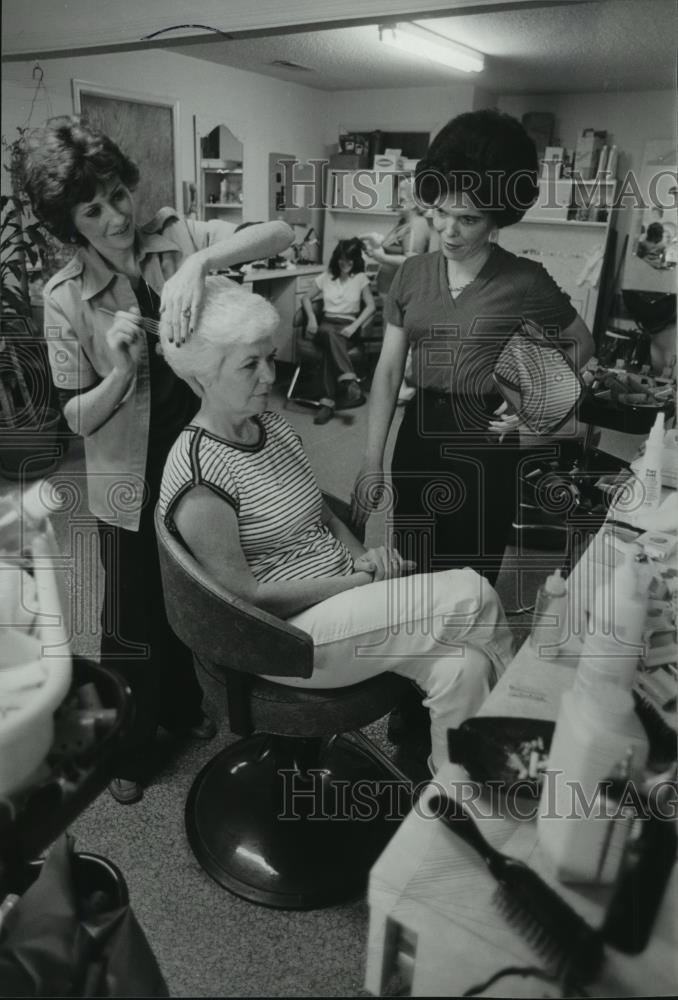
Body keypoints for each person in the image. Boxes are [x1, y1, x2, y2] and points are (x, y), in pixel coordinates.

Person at [25, 116, 293, 805]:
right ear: (70, 224)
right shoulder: (62, 299)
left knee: (191, 591)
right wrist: (117, 372)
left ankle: (179, 708)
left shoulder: (175, 237)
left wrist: (202, 263)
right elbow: (73, 415)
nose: (116, 217)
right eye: (94, 210)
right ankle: (130, 747)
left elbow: (281, 232)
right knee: (132, 615)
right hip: (123, 477)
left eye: (118, 195)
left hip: (200, 460)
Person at [157, 279, 514, 777]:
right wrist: (361, 580)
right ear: (201, 379)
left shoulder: (271, 425)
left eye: (268, 356)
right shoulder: (199, 473)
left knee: (465, 668)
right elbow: (246, 596)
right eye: (249, 365)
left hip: (342, 600)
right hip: (286, 638)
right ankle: (515, 740)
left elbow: (320, 514)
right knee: (472, 593)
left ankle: (460, 798)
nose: (269, 375)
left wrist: (362, 556)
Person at [351, 109, 594, 588]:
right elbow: (386, 373)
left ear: (497, 219)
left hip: (487, 443)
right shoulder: (411, 274)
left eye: (468, 219)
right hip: (419, 435)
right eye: (440, 213)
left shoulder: (524, 281)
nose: (449, 231)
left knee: (468, 577)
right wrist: (371, 457)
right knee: (410, 570)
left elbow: (581, 344)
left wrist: (532, 397)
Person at [361, 177, 435, 405]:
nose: (399, 197)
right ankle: (398, 387)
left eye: (404, 193)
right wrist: (377, 242)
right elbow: (395, 247)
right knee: (392, 341)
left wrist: (382, 256)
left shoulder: (416, 224)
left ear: (416, 198)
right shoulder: (403, 222)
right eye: (399, 192)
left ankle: (402, 389)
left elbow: (412, 260)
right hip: (390, 291)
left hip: (404, 293)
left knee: (399, 343)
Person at [300, 237, 375, 425]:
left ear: (355, 260)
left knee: (328, 350)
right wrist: (311, 318)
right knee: (330, 334)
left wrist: (354, 326)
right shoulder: (325, 277)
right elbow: (306, 299)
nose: (345, 264)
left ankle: (327, 405)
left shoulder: (360, 278)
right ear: (336, 259)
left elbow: (371, 306)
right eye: (342, 259)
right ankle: (349, 381)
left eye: (349, 260)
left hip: (348, 328)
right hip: (326, 326)